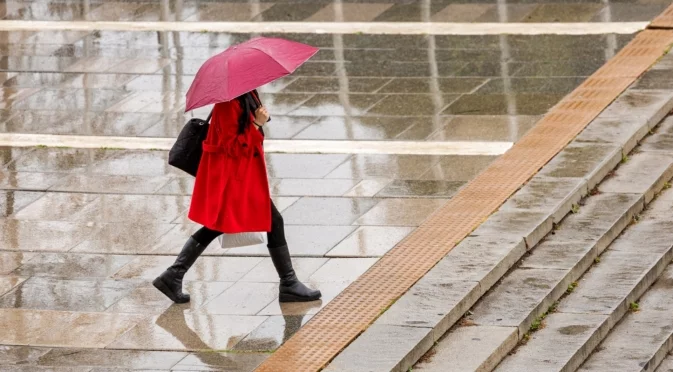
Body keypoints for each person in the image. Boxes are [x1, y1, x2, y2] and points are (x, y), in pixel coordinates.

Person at [153, 90, 321, 304]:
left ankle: (173, 275)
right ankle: (288, 283)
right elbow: (231, 146)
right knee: (273, 221)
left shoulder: (247, 92)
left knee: (218, 225)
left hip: (243, 175)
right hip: (234, 177)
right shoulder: (228, 101)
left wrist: (260, 118)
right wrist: (257, 125)